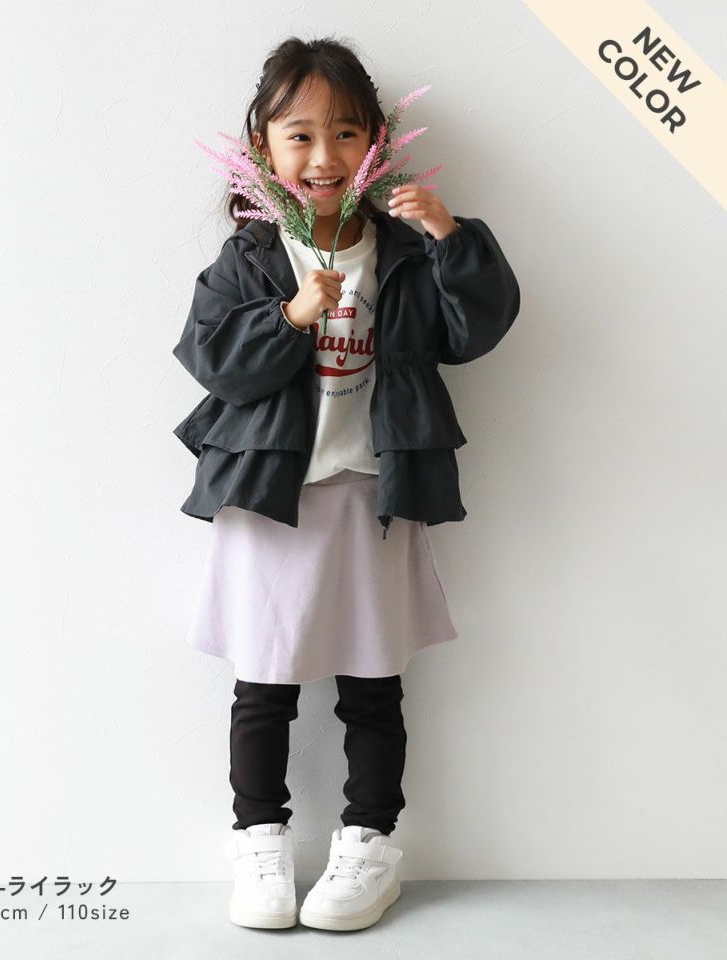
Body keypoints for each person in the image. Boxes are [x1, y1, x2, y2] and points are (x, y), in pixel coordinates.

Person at [172, 36, 521, 931]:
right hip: (270, 499)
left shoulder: (402, 250)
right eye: (299, 135)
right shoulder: (251, 259)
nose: (323, 156)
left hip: (374, 493)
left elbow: (475, 331)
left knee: (373, 683)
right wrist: (292, 315)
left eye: (345, 133)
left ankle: (369, 845)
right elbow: (213, 361)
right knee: (264, 683)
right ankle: (259, 842)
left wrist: (451, 239)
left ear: (376, 144)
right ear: (262, 148)